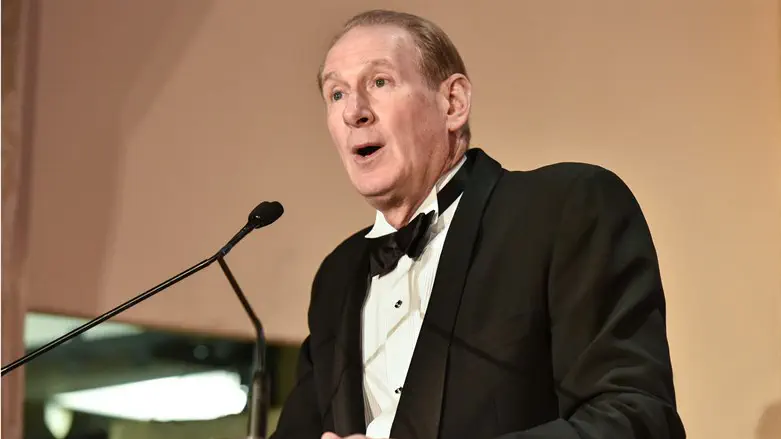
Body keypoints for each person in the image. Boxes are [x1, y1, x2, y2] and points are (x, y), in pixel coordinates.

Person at [271, 9, 686, 439]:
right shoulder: (337, 277)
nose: (353, 111)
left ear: (453, 103)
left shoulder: (565, 208)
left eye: (379, 82)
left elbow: (637, 421)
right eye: (335, 94)